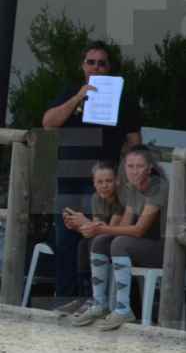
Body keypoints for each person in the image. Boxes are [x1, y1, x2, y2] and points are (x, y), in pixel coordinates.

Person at [40, 41, 144, 301]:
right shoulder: (71, 91)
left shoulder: (124, 98)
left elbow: (135, 141)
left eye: (102, 63)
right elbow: (48, 123)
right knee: (66, 241)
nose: (96, 67)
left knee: (99, 241)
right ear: (82, 66)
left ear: (109, 68)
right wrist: (78, 97)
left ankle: (101, 302)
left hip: (103, 184)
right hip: (69, 180)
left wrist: (132, 173)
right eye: (91, 62)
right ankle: (65, 299)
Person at [66, 146, 167, 331]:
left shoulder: (157, 187)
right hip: (144, 245)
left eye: (139, 166)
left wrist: (98, 227)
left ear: (149, 168)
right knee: (101, 242)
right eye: (130, 166)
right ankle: (99, 303)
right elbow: (123, 227)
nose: (134, 171)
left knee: (119, 243)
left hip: (167, 250)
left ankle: (123, 308)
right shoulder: (133, 188)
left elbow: (138, 230)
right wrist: (91, 228)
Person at [54, 161, 124, 318]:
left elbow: (109, 230)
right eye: (100, 182)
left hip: (119, 242)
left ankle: (95, 299)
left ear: (116, 181)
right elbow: (94, 230)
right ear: (93, 183)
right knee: (83, 243)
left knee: (92, 243)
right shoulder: (96, 198)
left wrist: (85, 222)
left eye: (108, 181)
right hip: (102, 239)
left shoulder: (121, 200)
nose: (104, 185)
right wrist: (76, 225)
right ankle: (84, 296)